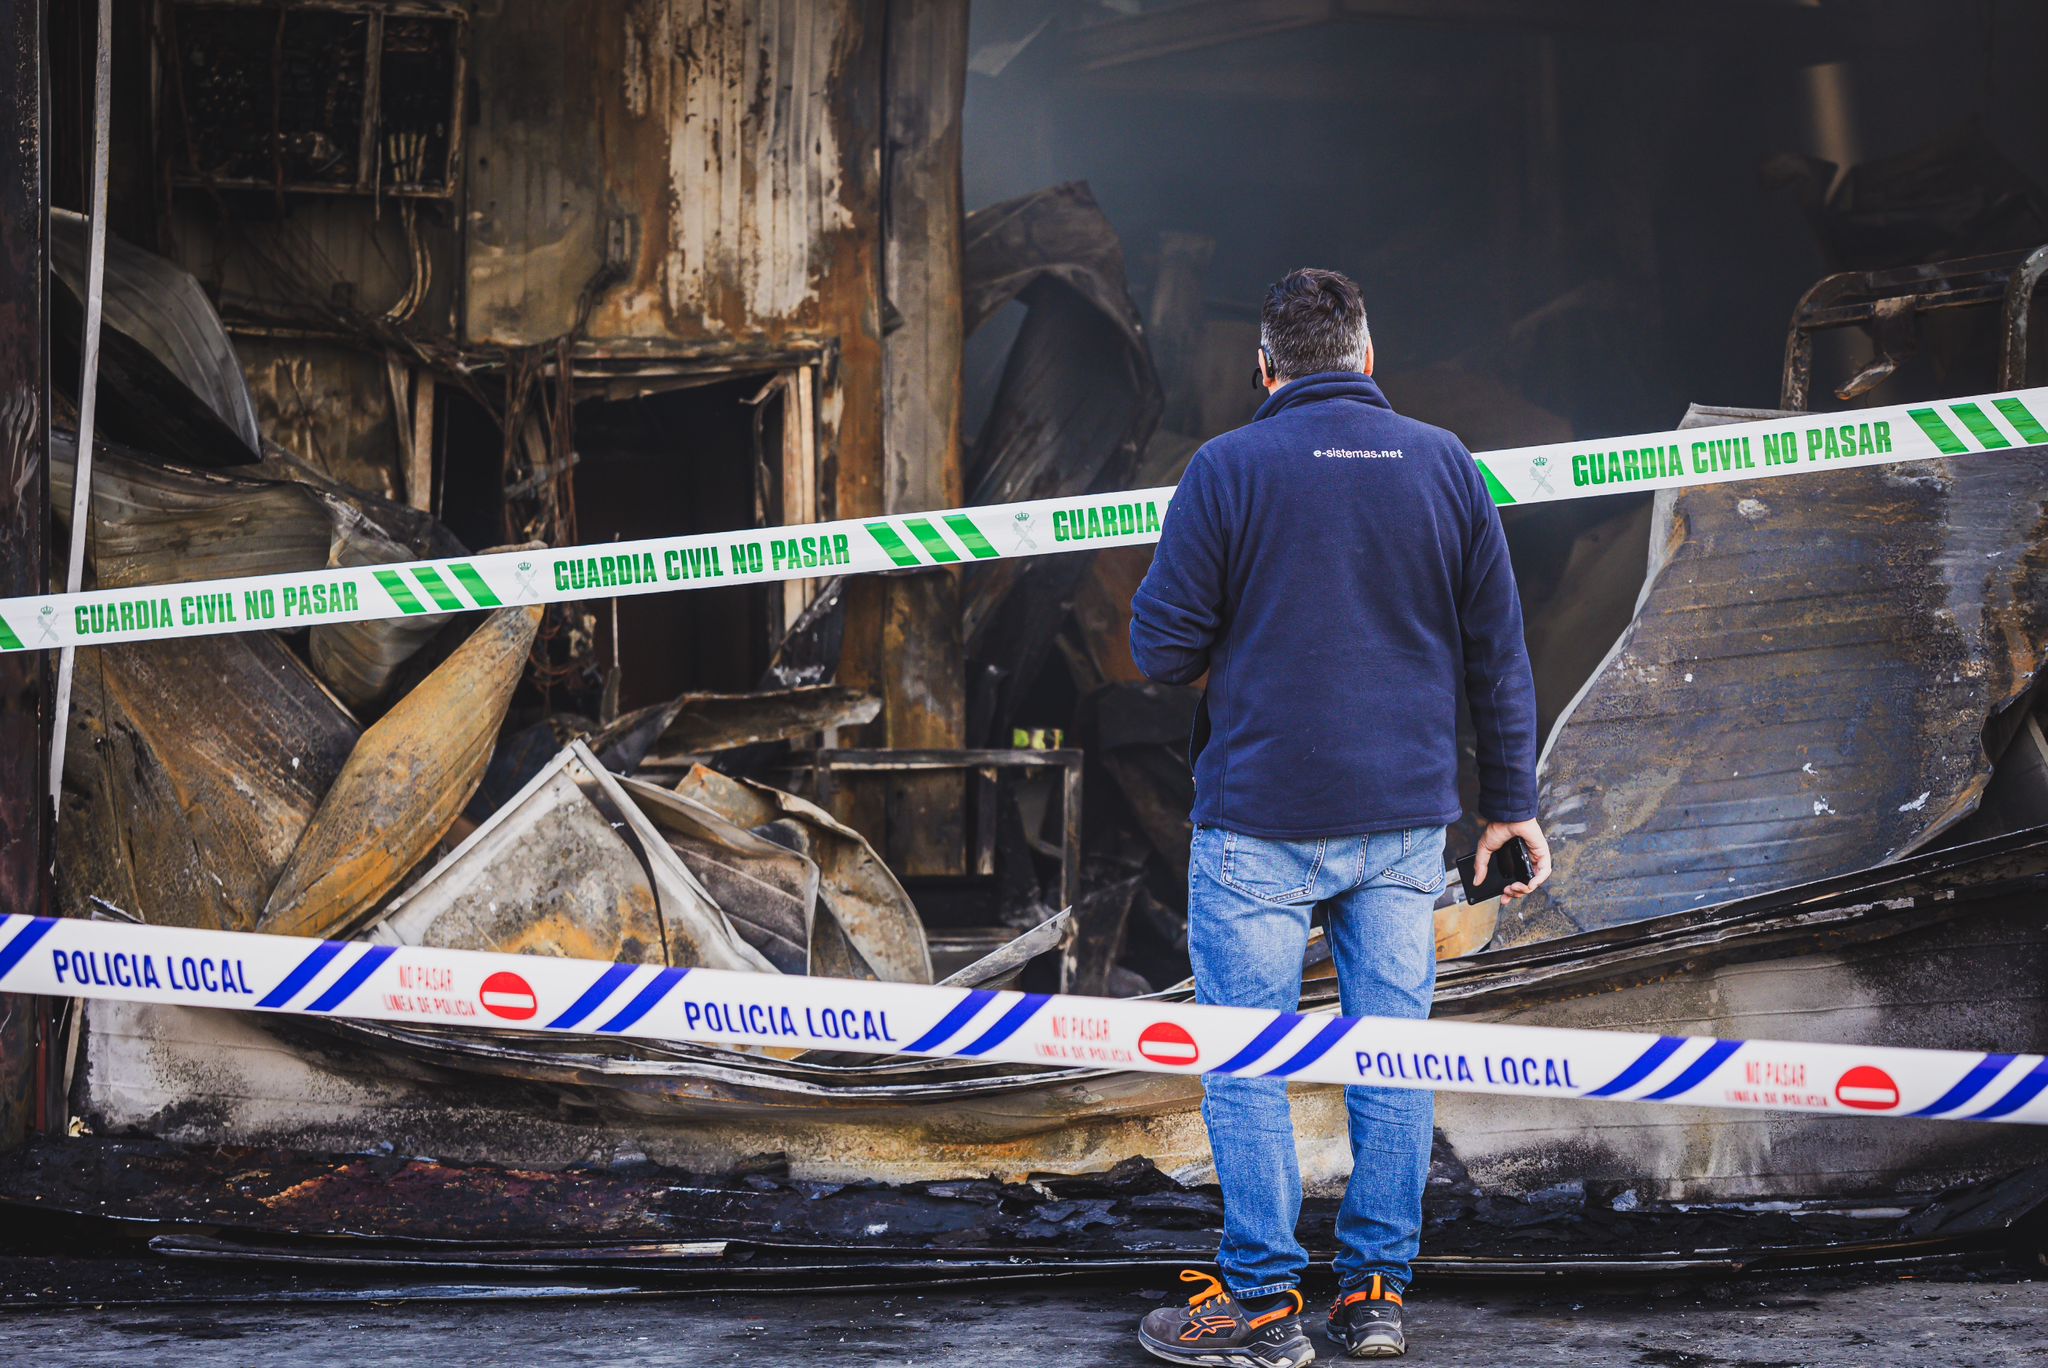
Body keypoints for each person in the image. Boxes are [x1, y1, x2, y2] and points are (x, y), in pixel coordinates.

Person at [1129, 268, 1550, 1364]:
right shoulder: (1442, 463)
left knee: (1248, 1064)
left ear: (1261, 370)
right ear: (1368, 360)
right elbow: (1496, 655)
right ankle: (1373, 1297)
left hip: (1256, 823)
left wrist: (1249, 639)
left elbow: (1159, 648)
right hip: (1404, 825)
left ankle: (1263, 1308)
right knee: (1391, 1056)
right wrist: (1510, 806)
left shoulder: (1222, 469)